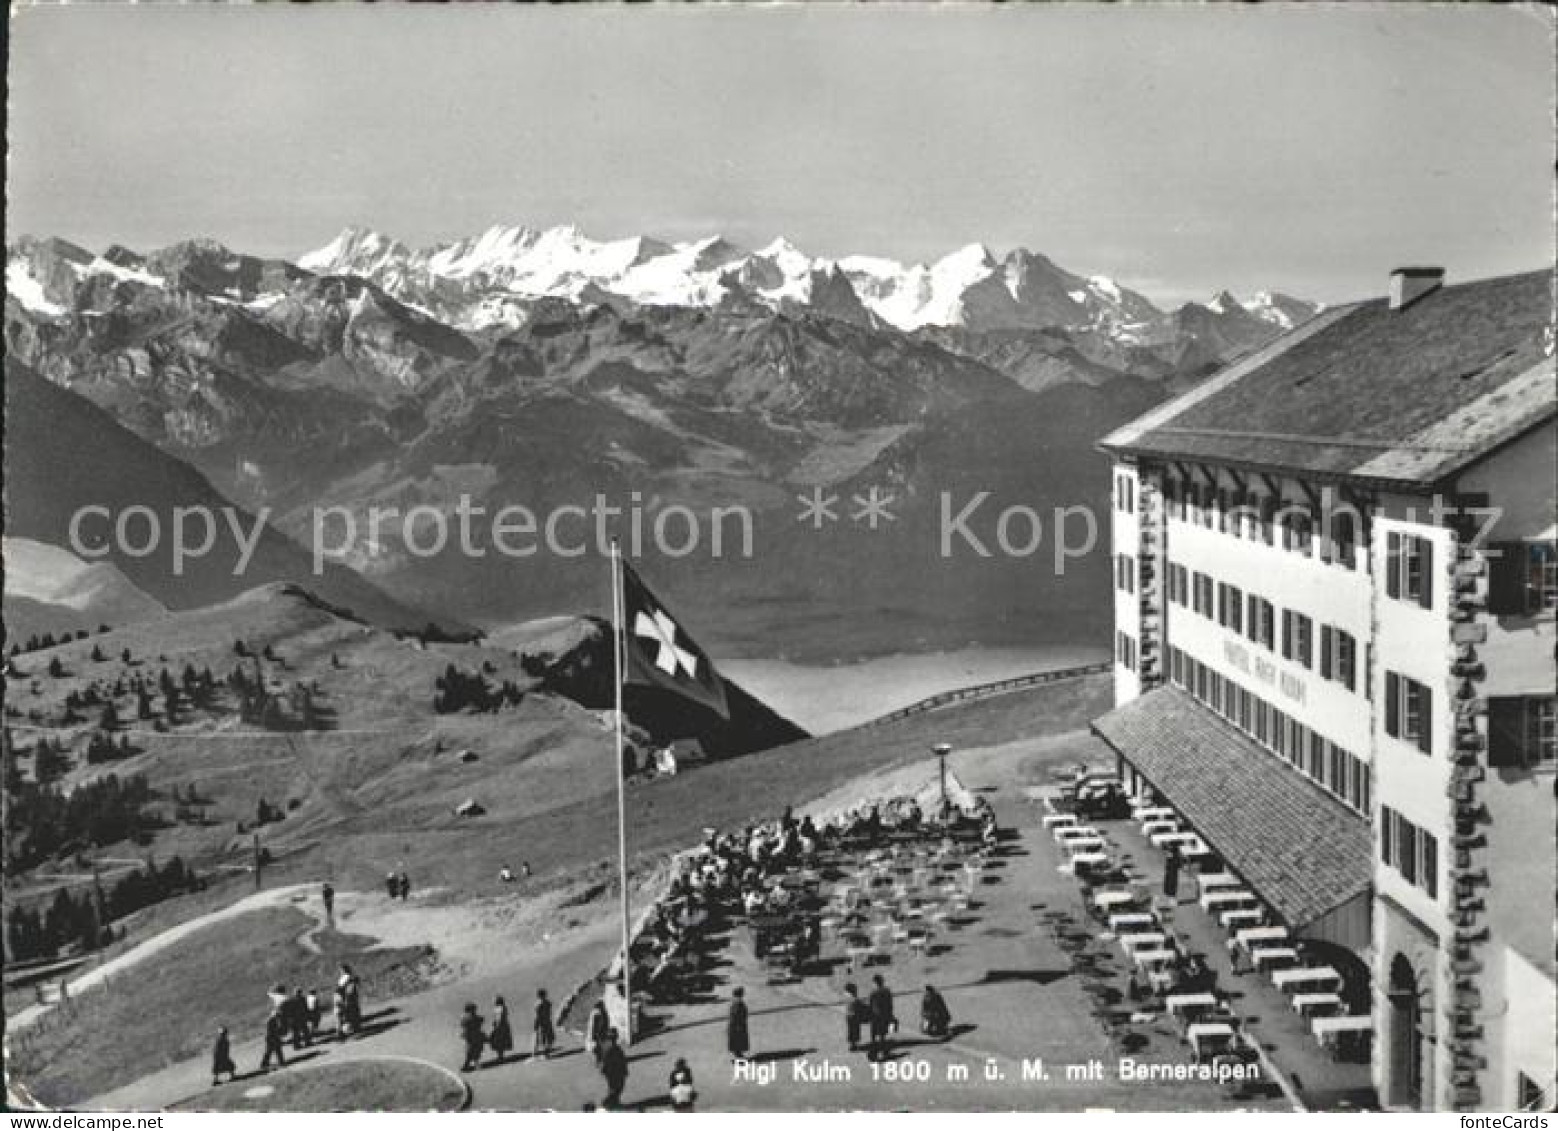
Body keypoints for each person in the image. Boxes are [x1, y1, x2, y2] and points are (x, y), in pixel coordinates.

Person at [867, 975, 896, 1062]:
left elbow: (871, 1005)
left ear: (875, 983)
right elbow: (890, 1005)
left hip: (875, 1016)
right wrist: (890, 1015)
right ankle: (883, 1052)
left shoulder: (873, 992)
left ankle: (875, 1053)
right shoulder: (887, 991)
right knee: (882, 1035)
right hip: (884, 1015)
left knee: (874, 1036)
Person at [600, 1029, 630, 1110]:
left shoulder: (607, 1045)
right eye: (614, 1037)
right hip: (615, 1072)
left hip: (612, 1072)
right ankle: (608, 1104)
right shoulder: (612, 1048)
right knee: (616, 1089)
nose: (615, 1038)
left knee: (615, 1089)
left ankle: (613, 1103)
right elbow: (613, 1061)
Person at [459, 1003, 486, 1072]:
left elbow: (463, 1025)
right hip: (476, 1036)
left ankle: (468, 1065)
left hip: (470, 1036)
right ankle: (472, 1064)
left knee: (470, 1050)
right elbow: (481, 1020)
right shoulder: (475, 1018)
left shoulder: (465, 1018)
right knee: (475, 1050)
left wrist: (464, 1033)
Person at [726, 987, 750, 1061]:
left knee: (736, 1038)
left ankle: (737, 1053)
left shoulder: (735, 1002)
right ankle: (738, 1054)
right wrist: (738, 1024)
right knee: (738, 1038)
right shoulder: (738, 1003)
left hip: (735, 1024)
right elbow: (737, 1014)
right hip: (738, 1024)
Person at [489, 995, 513, 1063]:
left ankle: (500, 1057)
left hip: (501, 1027)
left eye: (494, 1000)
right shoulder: (499, 1008)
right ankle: (500, 1056)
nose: (493, 1001)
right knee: (499, 1042)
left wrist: (496, 1026)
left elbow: (500, 1018)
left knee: (500, 1041)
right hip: (500, 1026)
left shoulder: (501, 1008)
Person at [532, 989, 556, 1059]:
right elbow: (549, 1013)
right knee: (549, 1038)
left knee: (543, 1039)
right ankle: (545, 1053)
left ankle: (543, 1053)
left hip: (542, 1023)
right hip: (547, 1022)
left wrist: (536, 1024)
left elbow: (537, 1016)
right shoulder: (548, 1003)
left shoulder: (538, 1005)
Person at [843, 982, 867, 1051]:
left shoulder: (847, 997)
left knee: (851, 1030)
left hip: (848, 1016)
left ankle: (852, 1045)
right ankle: (854, 1045)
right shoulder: (854, 999)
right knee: (855, 1030)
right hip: (854, 1017)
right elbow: (859, 1005)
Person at [586, 1000, 611, 1066]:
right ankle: (600, 1061)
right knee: (597, 1048)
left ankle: (600, 1061)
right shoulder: (597, 1014)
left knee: (599, 1049)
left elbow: (605, 1023)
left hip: (600, 1034)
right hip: (597, 1034)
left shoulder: (598, 1013)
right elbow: (593, 1026)